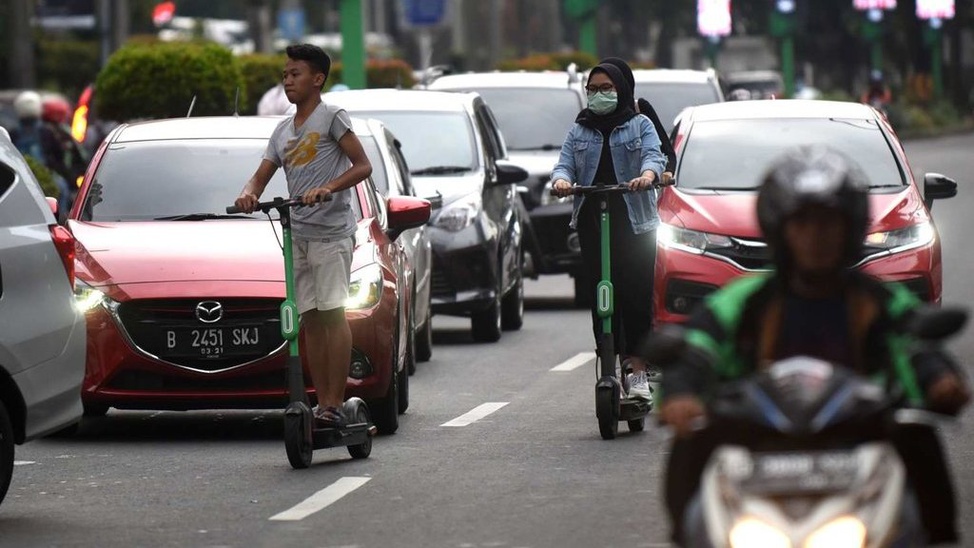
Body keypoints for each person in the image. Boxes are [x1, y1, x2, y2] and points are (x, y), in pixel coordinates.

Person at [651, 145, 971, 546]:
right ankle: (688, 536)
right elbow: (698, 345)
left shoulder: (876, 300)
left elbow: (915, 344)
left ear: (849, 228)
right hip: (757, 437)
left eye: (827, 224)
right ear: (780, 229)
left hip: (860, 434)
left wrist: (941, 379)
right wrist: (680, 393)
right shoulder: (745, 300)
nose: (815, 237)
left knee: (919, 438)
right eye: (802, 224)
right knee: (692, 442)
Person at [234, 44, 372, 428]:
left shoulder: (332, 117)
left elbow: (362, 166)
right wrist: (249, 193)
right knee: (309, 319)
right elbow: (260, 176)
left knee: (332, 313)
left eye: (295, 74)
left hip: (331, 234)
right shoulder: (281, 130)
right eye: (285, 75)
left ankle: (334, 401)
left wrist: (328, 187)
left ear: (318, 79)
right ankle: (320, 401)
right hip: (299, 235)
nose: (288, 80)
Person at [551, 62, 667, 400]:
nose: (600, 95)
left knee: (634, 296)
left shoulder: (639, 124)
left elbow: (653, 156)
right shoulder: (579, 130)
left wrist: (647, 176)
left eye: (607, 88)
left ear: (622, 89)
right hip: (593, 222)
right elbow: (565, 163)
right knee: (603, 298)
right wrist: (561, 180)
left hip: (634, 224)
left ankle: (637, 370)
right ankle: (608, 361)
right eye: (593, 89)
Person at [601, 57, 677, 183]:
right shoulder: (587, 120)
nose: (602, 93)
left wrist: (659, 173)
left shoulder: (640, 114)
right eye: (595, 88)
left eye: (607, 87)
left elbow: (664, 152)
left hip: (636, 194)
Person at [9, 90, 75, 211]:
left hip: (19, 178)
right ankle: (61, 220)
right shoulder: (46, 131)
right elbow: (58, 156)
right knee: (63, 189)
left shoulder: (13, 133)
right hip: (45, 175)